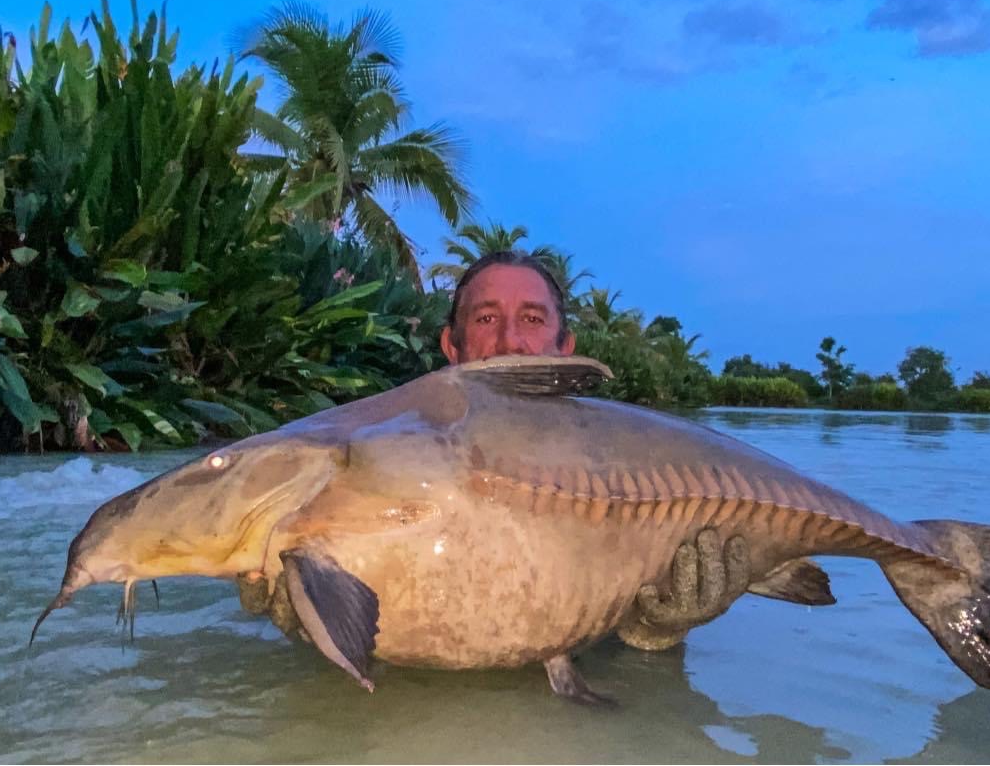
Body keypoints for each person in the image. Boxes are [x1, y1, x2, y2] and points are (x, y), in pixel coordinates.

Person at [238, 251, 749, 650]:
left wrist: (660, 632)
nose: (509, 340)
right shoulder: (379, 451)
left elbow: (640, 695)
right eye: (485, 319)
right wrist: (311, 618)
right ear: (451, 346)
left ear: (563, 347)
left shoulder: (630, 454)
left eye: (531, 319)